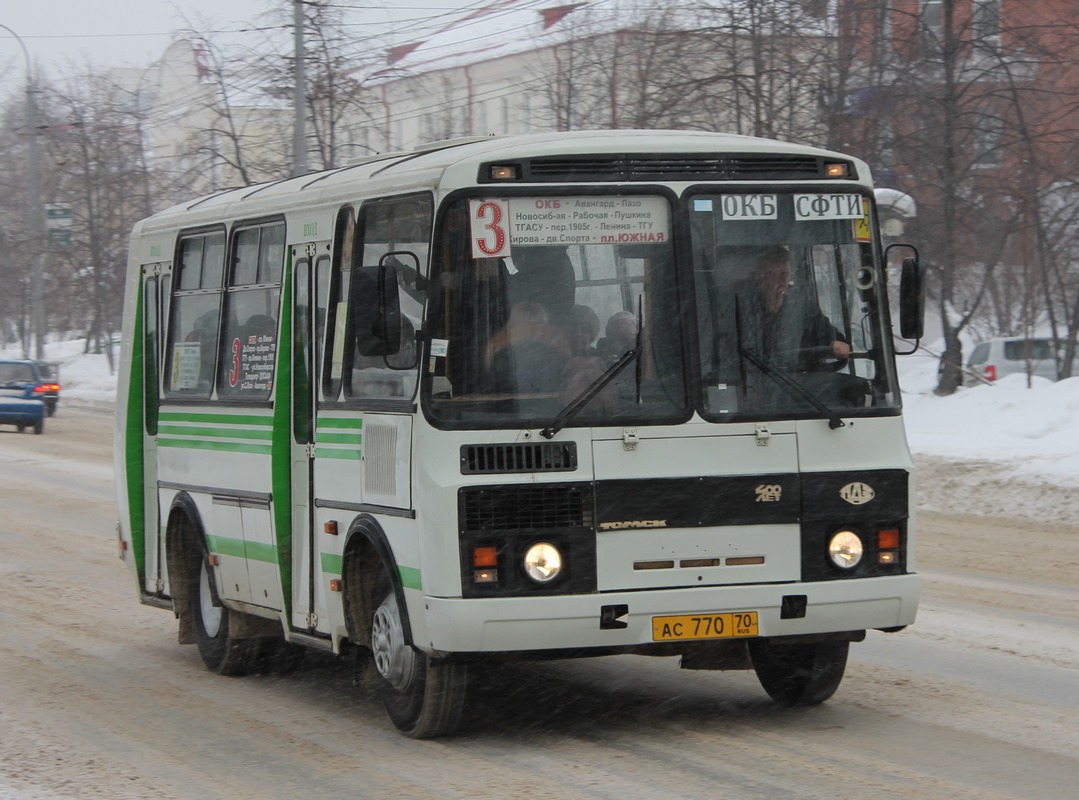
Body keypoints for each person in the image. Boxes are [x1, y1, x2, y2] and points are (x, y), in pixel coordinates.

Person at [737, 245, 850, 369]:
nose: (777, 281)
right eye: (770, 275)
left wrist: (834, 342)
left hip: (794, 378)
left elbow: (820, 329)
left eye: (783, 275)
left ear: (790, 276)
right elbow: (755, 347)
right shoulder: (742, 300)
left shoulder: (799, 300)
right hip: (752, 376)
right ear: (758, 276)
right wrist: (772, 311)